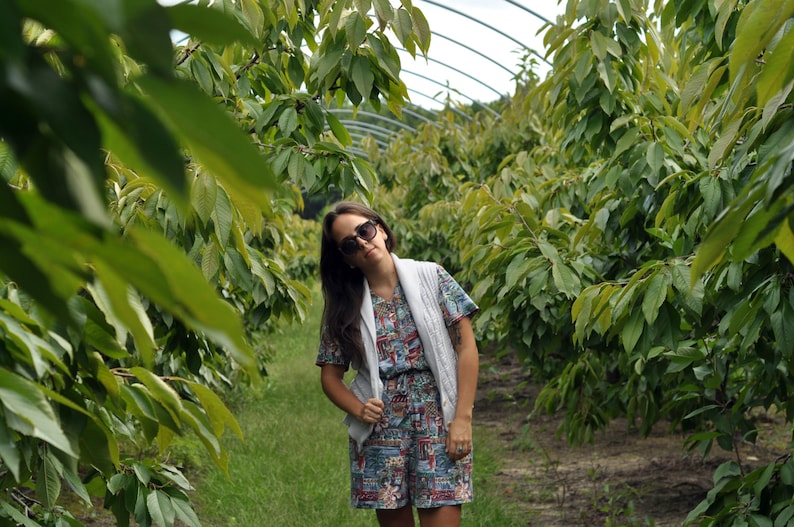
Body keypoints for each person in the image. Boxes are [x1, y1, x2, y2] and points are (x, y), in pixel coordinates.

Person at [316, 201, 480, 527]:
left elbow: (466, 348)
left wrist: (462, 418)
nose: (363, 242)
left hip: (437, 419)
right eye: (350, 243)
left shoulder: (430, 276)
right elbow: (331, 376)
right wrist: (359, 409)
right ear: (345, 258)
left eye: (365, 230)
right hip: (382, 432)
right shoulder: (345, 307)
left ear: (380, 228)